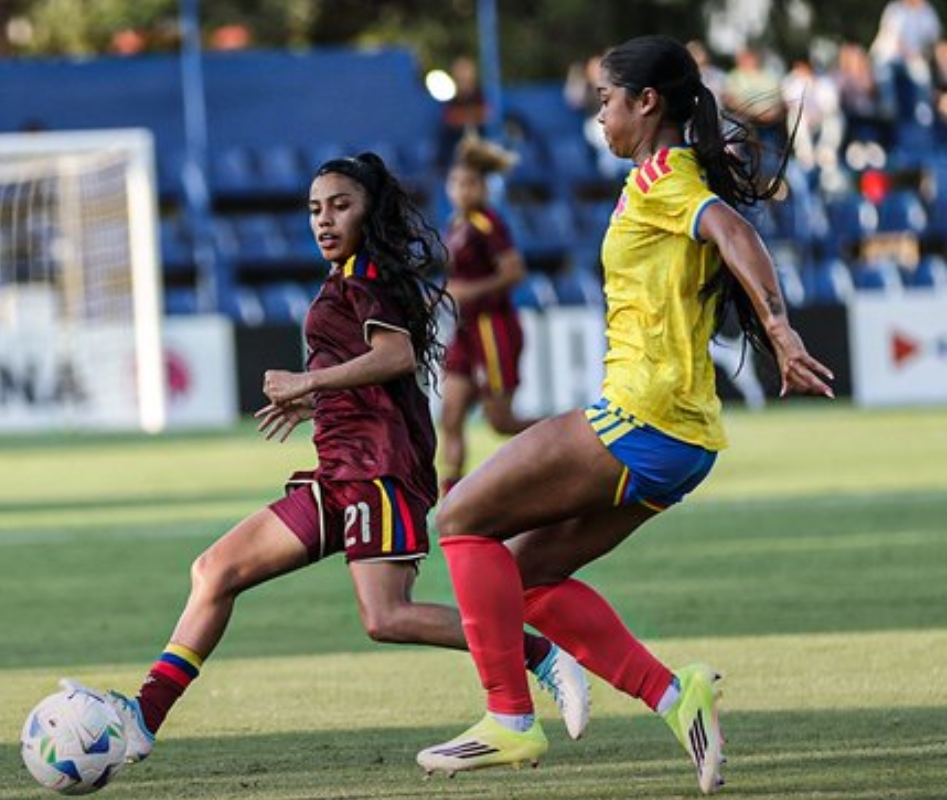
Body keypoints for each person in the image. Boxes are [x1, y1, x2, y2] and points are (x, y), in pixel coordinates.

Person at [62, 152, 590, 781]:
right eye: (315, 208)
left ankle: (540, 654)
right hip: (340, 467)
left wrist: (307, 379)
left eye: (340, 204)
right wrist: (318, 400)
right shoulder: (345, 277)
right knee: (215, 570)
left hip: (377, 473)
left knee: (386, 617)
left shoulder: (366, 276)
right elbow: (378, 379)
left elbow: (393, 357)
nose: (324, 219)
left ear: (371, 210)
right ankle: (144, 717)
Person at [416, 35, 834, 795]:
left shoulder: (663, 179)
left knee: (460, 518)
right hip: (683, 439)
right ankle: (679, 698)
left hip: (639, 418)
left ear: (648, 103)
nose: (600, 113)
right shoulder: (666, 177)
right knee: (524, 577)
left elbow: (734, 232)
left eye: (608, 98)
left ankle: (509, 719)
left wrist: (780, 331)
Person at [438, 136, 541, 497]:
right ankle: (451, 494)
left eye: (468, 183)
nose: (460, 190)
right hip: (465, 331)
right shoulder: (455, 224)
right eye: (454, 183)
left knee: (501, 421)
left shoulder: (488, 223)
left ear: (482, 187)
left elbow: (514, 272)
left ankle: (569, 436)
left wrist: (469, 292)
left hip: (493, 327)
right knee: (449, 416)